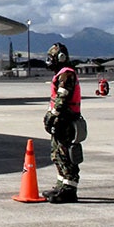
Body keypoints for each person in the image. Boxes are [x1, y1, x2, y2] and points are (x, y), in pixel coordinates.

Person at [42, 43, 84, 203]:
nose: (49, 62)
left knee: (66, 155)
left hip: (65, 121)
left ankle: (69, 190)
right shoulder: (61, 73)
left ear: (60, 58)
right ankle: (61, 185)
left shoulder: (67, 74)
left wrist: (53, 115)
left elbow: (62, 98)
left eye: (51, 58)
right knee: (58, 154)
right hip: (60, 121)